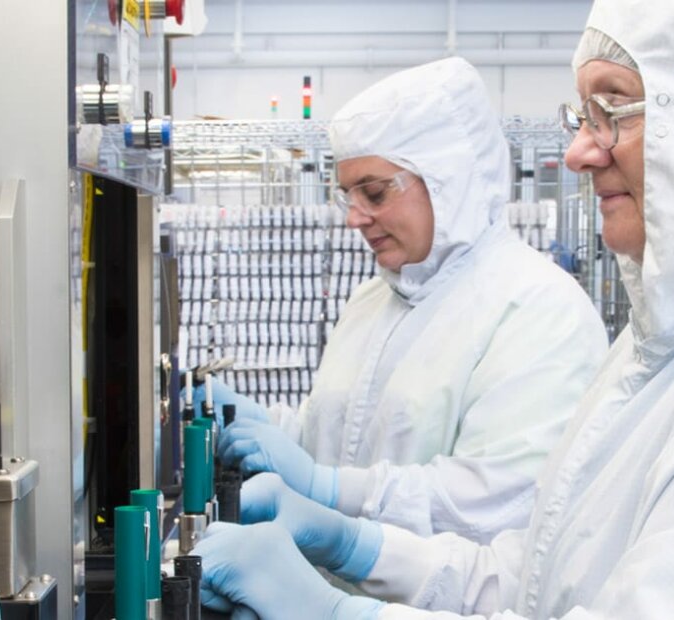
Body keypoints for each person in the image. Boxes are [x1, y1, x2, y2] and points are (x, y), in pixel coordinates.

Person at [194, 0, 674, 617]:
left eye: (614, 112)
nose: (579, 152)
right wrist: (355, 546)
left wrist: (336, 608)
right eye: (583, 117)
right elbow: (538, 580)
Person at [196, 57, 609, 541]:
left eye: (374, 193)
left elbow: (493, 508)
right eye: (348, 195)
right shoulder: (373, 300)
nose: (355, 218)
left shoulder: (539, 312)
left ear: (448, 180)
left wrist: (326, 491)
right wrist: (254, 426)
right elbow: (332, 443)